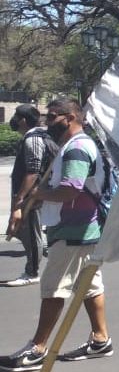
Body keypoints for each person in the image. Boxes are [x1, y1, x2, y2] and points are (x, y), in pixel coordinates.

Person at [0, 99, 113, 372]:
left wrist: (38, 194)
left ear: (70, 117)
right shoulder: (75, 146)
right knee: (89, 285)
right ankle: (100, 339)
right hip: (83, 228)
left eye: (52, 117)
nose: (48, 123)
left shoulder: (76, 148)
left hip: (75, 230)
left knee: (54, 287)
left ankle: (37, 349)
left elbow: (70, 191)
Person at [4, 104, 57, 287]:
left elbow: (33, 172)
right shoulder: (37, 136)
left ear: (23, 121)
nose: (15, 121)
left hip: (32, 197)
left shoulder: (32, 139)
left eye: (17, 117)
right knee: (20, 230)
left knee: (30, 233)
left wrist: (20, 199)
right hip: (33, 194)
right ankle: (49, 256)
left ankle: (32, 272)